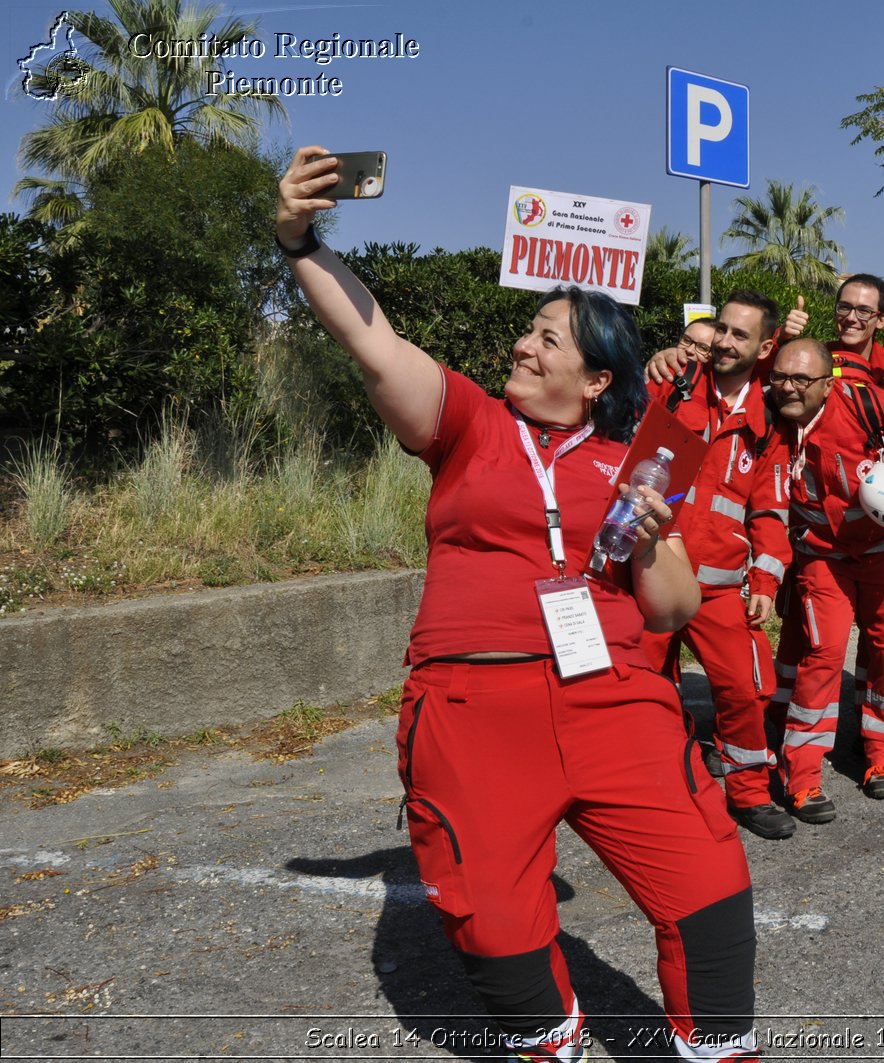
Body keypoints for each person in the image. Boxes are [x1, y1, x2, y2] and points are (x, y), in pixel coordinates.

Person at [275, 146, 759, 1062]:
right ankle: (555, 1040)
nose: (522, 345)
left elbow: (670, 611)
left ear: (598, 381)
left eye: (548, 338)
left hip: (615, 698)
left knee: (710, 886)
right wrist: (300, 240)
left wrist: (654, 534)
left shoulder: (645, 462)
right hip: (474, 711)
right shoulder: (469, 425)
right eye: (527, 330)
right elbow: (375, 344)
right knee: (492, 924)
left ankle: (718, 1049)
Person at [642, 291, 795, 841]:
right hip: (649, 576)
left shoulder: (770, 420)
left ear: (766, 346)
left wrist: (766, 579)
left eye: (739, 335)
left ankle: (749, 792)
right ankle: (664, 788)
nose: (725, 343)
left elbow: (771, 511)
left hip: (720, 587)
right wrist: (652, 362)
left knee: (747, 689)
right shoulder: (672, 385)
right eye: (721, 330)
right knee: (645, 689)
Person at [767, 338, 884, 823]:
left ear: (827, 380)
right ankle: (801, 775)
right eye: (780, 377)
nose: (789, 388)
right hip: (821, 555)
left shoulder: (868, 404)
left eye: (802, 380)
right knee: (823, 654)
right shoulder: (768, 418)